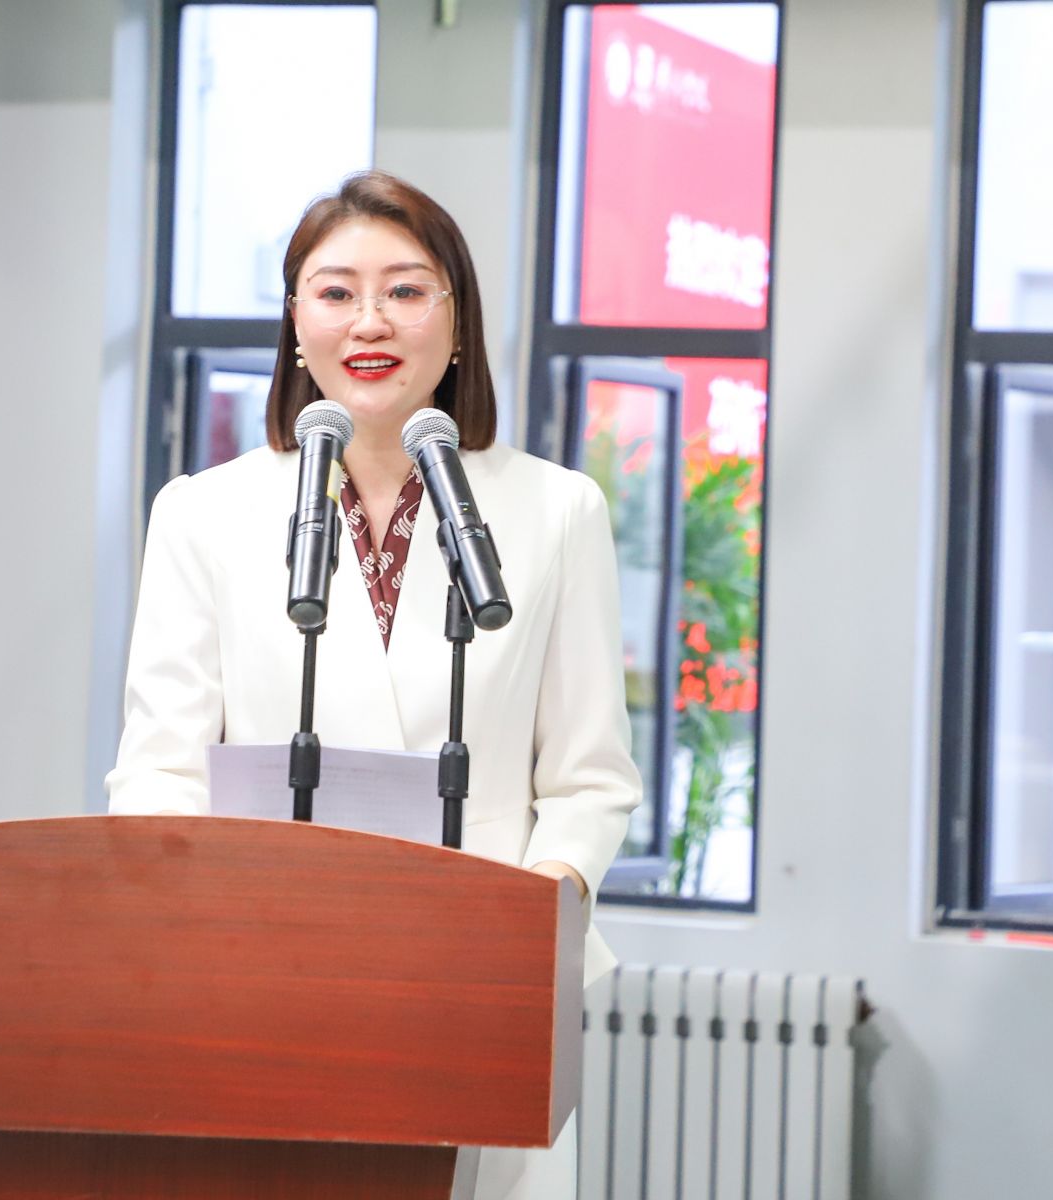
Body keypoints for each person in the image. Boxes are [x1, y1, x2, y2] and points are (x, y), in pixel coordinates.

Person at [106, 170, 641, 1199]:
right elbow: (159, 770)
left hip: (484, 986)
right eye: (336, 291)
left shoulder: (556, 510)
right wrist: (195, 925)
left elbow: (589, 779)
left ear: (456, 318)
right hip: (259, 973)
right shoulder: (202, 513)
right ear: (295, 320)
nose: (370, 321)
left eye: (405, 289)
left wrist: (533, 912)